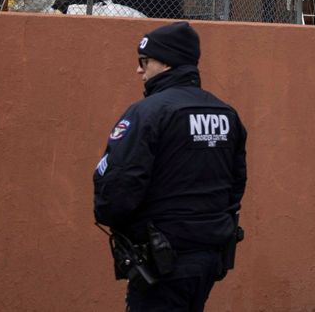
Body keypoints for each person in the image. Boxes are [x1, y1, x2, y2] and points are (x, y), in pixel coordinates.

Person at [95, 21, 247, 312]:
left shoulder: (148, 113)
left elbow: (117, 185)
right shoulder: (226, 113)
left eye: (144, 61)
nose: (139, 70)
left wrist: (125, 226)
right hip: (209, 255)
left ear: (166, 62)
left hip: (162, 260)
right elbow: (236, 184)